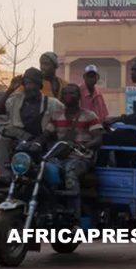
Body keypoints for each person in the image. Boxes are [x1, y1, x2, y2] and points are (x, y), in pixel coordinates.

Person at [0, 68, 64, 182]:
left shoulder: (52, 104)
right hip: (21, 145)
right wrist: (10, 89)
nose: (29, 87)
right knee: (2, 139)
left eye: (33, 83)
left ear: (39, 85)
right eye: (27, 83)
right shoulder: (15, 100)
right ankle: (5, 177)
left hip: (43, 146)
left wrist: (42, 139)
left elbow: (60, 126)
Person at [47, 84, 103, 219]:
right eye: (65, 93)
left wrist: (85, 146)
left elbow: (99, 138)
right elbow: (46, 134)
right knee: (40, 168)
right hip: (60, 157)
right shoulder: (55, 116)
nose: (67, 96)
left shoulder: (89, 115)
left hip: (81, 158)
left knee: (70, 169)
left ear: (78, 96)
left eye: (71, 93)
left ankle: (74, 215)